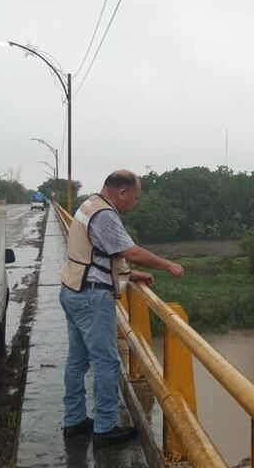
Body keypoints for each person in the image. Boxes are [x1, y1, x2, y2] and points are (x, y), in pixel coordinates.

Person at [59, 170, 184, 447]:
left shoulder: (89, 204)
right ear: (122, 193)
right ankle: (105, 428)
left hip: (72, 290)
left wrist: (130, 275)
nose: (135, 203)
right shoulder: (105, 215)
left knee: (77, 360)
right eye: (135, 198)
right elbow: (131, 251)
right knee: (107, 362)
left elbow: (99, 253)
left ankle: (75, 421)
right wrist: (168, 265)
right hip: (92, 296)